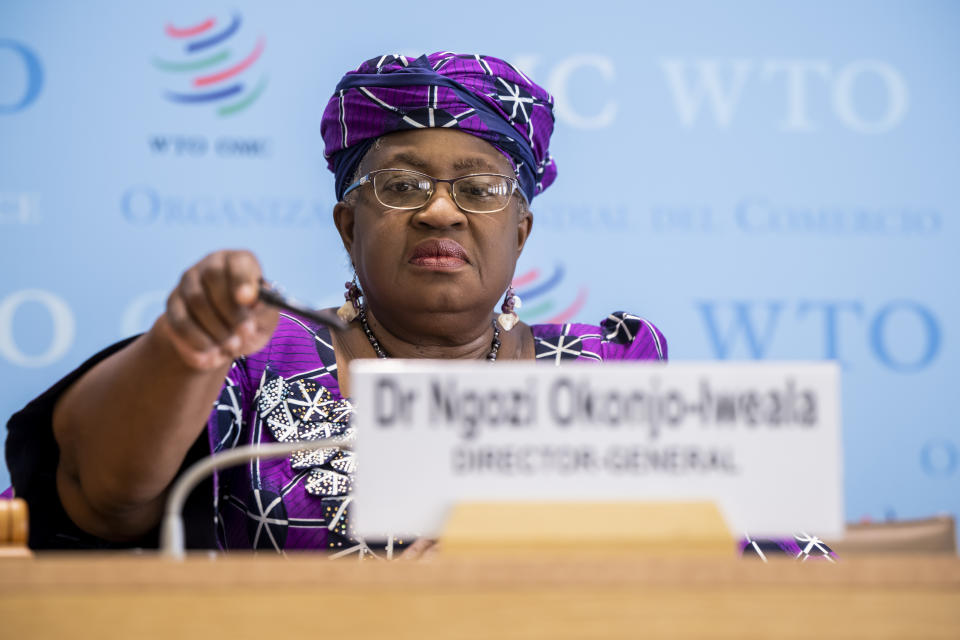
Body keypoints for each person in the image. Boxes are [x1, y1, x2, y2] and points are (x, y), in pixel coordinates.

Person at [5, 52, 666, 556]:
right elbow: (95, 501)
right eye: (402, 185)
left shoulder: (603, 366)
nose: (440, 210)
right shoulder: (258, 358)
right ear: (348, 226)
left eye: (479, 188)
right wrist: (185, 352)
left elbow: (725, 553)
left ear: (519, 231)